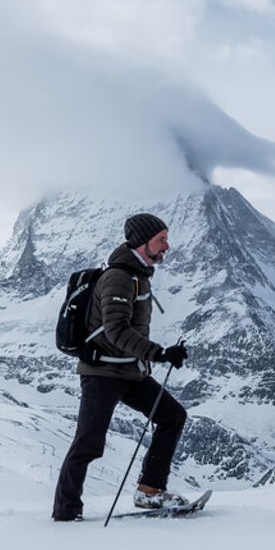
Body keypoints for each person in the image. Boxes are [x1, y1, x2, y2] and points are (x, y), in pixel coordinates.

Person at [51, 212, 194, 521]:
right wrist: (159, 353)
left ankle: (150, 491)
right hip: (102, 373)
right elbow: (116, 331)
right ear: (142, 243)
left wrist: (159, 355)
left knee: (172, 417)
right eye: (161, 240)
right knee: (88, 443)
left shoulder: (137, 274)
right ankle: (65, 512)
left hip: (129, 371)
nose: (167, 246)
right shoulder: (119, 276)